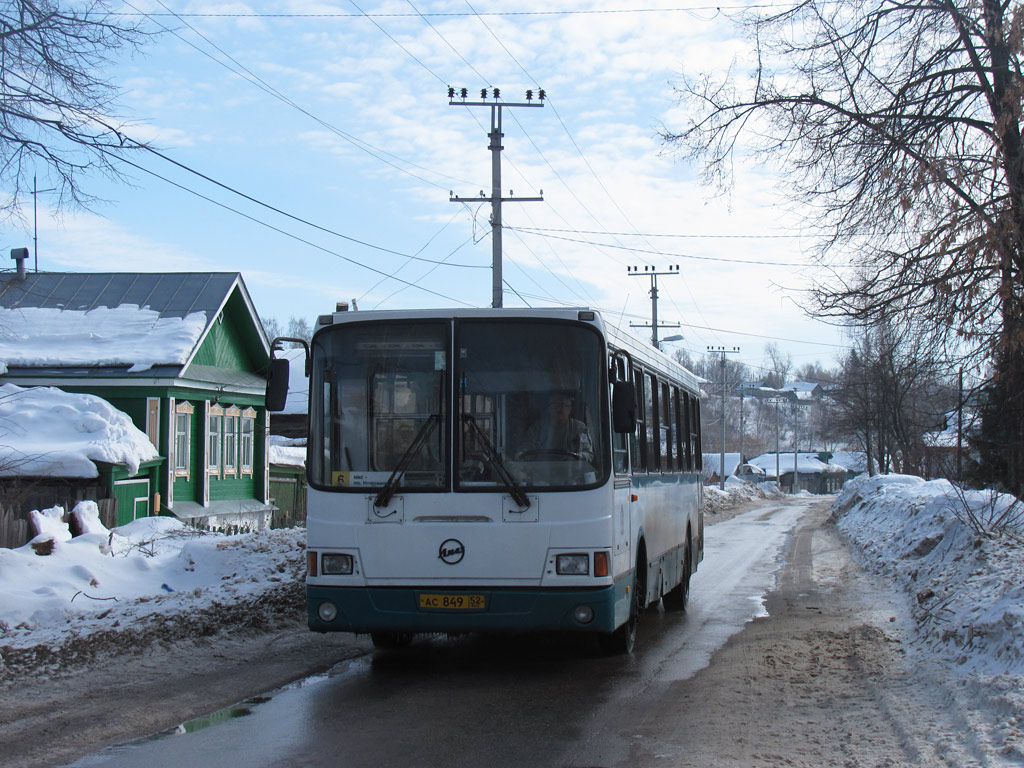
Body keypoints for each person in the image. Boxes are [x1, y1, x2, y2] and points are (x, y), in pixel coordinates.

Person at [519, 393, 593, 461]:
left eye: (563, 405)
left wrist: (576, 457)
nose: (559, 409)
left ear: (570, 409)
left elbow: (589, 454)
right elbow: (525, 451)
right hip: (540, 471)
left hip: (571, 471)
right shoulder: (536, 428)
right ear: (549, 408)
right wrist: (521, 454)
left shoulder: (580, 428)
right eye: (555, 405)